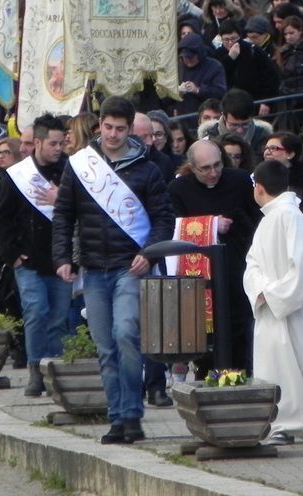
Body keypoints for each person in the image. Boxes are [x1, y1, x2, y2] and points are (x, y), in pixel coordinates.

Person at [51, 96, 175, 445]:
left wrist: (148, 253)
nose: (113, 134)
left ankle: (132, 414)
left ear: (129, 130)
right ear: (99, 125)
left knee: (126, 334)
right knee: (105, 346)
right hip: (93, 267)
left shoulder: (147, 169)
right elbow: (63, 216)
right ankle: (117, 417)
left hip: (129, 268)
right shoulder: (80, 166)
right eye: (108, 127)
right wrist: (62, 257)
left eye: (121, 129)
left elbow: (164, 218)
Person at [243, 159, 303, 444]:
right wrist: (260, 291)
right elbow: (252, 263)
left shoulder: (291, 217)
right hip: (271, 307)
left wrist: (272, 295)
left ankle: (302, 421)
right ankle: (279, 423)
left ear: (259, 187)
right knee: (274, 367)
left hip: (295, 309)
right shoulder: (270, 218)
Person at [0, 114, 70, 397]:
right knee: (35, 313)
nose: (58, 149)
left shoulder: (69, 172)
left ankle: (55, 370)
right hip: (29, 259)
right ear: (37, 143)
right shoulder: (17, 176)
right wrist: (11, 255)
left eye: (62, 143)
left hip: (61, 259)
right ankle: (36, 369)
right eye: (53, 143)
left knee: (58, 317)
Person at [168, 140, 262, 375]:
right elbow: (174, 228)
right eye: (205, 168)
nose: (213, 173)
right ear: (192, 167)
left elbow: (258, 219)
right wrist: (211, 225)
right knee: (203, 329)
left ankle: (239, 375)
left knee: (238, 324)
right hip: (199, 273)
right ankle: (206, 374)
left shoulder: (240, 180)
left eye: (217, 165)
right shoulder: (178, 189)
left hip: (236, 264)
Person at [175, 33, 227, 117]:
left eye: (191, 57)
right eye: (185, 58)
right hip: (183, 115)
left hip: (207, 116)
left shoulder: (214, 66)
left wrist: (198, 90)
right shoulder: (178, 67)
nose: (188, 60)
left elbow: (220, 92)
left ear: (199, 54)